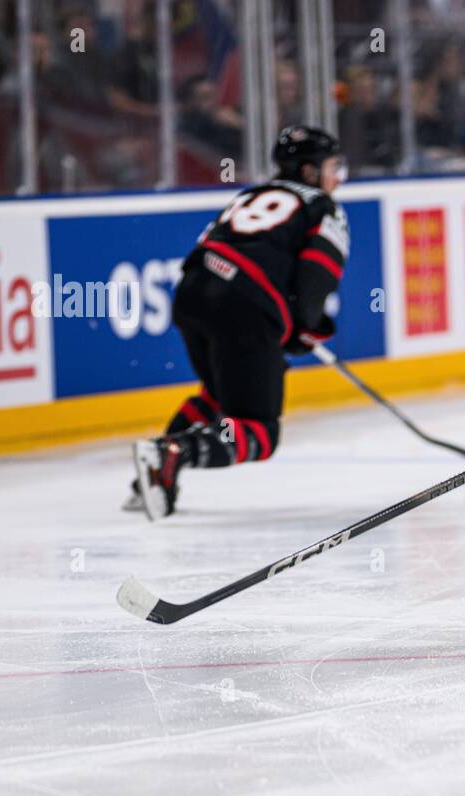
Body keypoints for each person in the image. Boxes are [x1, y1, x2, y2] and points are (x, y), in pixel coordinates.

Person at [128, 126, 349, 520]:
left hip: (194, 292)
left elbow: (214, 245)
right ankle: (172, 454)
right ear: (311, 171)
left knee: (217, 395)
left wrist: (287, 327)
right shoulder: (323, 208)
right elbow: (315, 281)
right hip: (246, 305)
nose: (338, 177)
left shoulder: (249, 194)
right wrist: (304, 327)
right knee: (260, 431)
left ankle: (149, 474)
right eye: (333, 167)